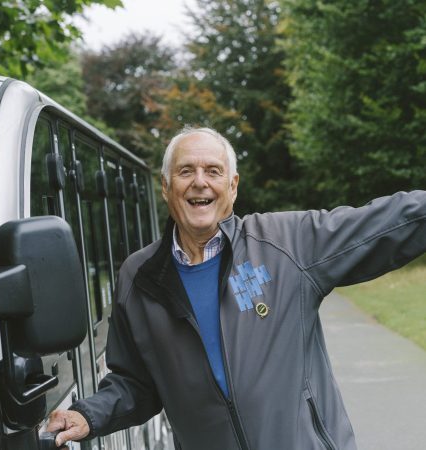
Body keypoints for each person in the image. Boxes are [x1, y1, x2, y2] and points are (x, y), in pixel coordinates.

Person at [48, 126, 426, 449]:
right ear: (165, 187)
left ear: (232, 185)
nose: (200, 181)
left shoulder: (286, 242)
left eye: (213, 170)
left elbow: (384, 225)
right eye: (185, 171)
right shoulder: (139, 276)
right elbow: (137, 384)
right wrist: (89, 414)